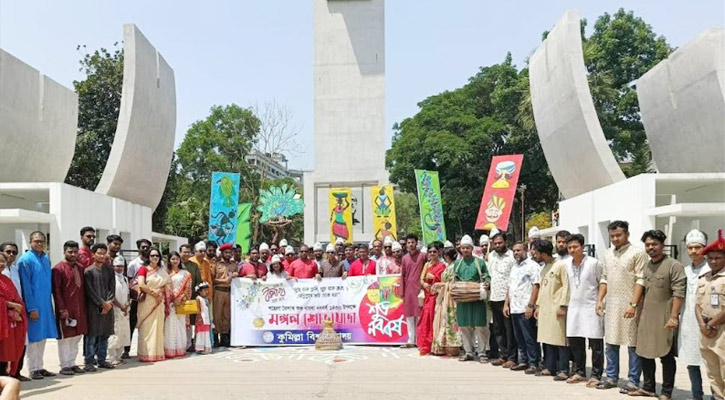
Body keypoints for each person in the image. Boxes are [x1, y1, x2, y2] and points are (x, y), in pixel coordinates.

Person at [629, 230, 685, 399]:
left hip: (665, 318)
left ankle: (666, 391)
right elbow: (643, 289)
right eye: (647, 245)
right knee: (645, 352)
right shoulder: (647, 265)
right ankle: (648, 387)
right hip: (646, 317)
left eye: (654, 244)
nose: (651, 247)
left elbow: (679, 294)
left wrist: (674, 316)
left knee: (666, 355)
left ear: (662, 245)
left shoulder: (674, 265)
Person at [595, 220, 646, 392]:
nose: (615, 239)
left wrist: (633, 304)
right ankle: (611, 377)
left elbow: (641, 279)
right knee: (611, 343)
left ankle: (633, 381)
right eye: (612, 236)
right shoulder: (608, 253)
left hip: (631, 305)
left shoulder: (637, 253)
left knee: (633, 344)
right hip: (612, 305)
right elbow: (604, 278)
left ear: (627, 234)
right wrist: (600, 300)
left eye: (619, 235)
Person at [563, 234, 604, 387]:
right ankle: (579, 372)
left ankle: (596, 374)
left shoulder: (594, 264)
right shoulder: (566, 264)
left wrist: (600, 302)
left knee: (595, 343)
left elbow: (602, 283)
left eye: (575, 247)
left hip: (591, 306)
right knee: (575, 342)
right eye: (570, 248)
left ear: (582, 247)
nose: (572, 250)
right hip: (574, 307)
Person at [17, 231, 56, 380]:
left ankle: (40, 366)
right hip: (33, 306)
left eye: (42, 241)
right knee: (34, 338)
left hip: (45, 304)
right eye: (36, 241)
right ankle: (33, 369)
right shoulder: (25, 260)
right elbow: (26, 287)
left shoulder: (46, 258)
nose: (40, 244)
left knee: (43, 337)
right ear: (30, 242)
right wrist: (31, 307)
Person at [678, 229, 710, 400]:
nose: (693, 251)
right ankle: (696, 395)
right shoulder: (685, 270)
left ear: (704, 248)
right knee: (692, 362)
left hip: (710, 322)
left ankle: (717, 395)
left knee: (713, 362)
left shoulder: (712, 268)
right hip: (689, 321)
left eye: (697, 247)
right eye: (690, 248)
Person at [532, 239, 570, 381]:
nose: (534, 254)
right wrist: (538, 306)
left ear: (543, 253)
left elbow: (566, 286)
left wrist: (563, 306)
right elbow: (542, 289)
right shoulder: (544, 268)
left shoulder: (560, 265)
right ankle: (550, 367)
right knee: (546, 339)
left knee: (559, 340)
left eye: (535, 251)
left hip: (557, 308)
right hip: (545, 308)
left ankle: (564, 369)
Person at [695, 229, 725, 400]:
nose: (714, 261)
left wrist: (711, 323)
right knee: (713, 373)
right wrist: (702, 326)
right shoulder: (703, 278)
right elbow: (697, 305)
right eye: (711, 258)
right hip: (706, 332)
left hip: (721, 331)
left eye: (718, 257)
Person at [504, 242, 541, 375]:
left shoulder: (533, 266)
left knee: (529, 337)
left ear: (526, 251)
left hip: (526, 307)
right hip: (514, 307)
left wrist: (531, 305)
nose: (516, 253)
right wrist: (506, 304)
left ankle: (534, 362)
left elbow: (536, 286)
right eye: (514, 251)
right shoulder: (514, 267)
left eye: (518, 250)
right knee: (519, 337)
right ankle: (524, 361)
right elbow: (510, 287)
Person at [51, 240, 88, 375]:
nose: (73, 254)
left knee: (77, 336)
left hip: (80, 308)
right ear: (64, 252)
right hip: (66, 309)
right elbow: (57, 291)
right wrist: (62, 309)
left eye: (75, 252)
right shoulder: (58, 269)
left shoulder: (80, 267)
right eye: (70, 252)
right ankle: (64, 365)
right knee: (65, 338)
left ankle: (72, 363)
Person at [454, 235, 491, 362]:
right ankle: (468, 351)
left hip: (477, 299)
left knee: (480, 326)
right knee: (464, 326)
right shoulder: (457, 264)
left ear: (472, 248)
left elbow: (487, 277)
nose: (465, 250)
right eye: (463, 248)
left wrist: (487, 283)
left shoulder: (479, 262)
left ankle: (481, 352)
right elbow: (454, 279)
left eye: (467, 248)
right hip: (462, 301)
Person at [83, 243, 116, 371]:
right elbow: (90, 291)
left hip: (108, 307)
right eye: (99, 253)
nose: (102, 256)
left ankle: (102, 360)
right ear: (93, 254)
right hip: (93, 308)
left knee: (104, 334)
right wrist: (102, 303)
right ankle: (89, 362)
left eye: (104, 253)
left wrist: (109, 303)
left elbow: (112, 288)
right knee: (92, 336)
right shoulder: (88, 271)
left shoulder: (109, 270)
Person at [487, 231, 517, 368]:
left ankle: (512, 357)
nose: (498, 245)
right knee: (498, 329)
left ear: (505, 242)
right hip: (494, 297)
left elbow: (513, 279)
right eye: (495, 243)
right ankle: (503, 355)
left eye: (500, 242)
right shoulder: (491, 256)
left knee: (509, 329)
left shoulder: (511, 256)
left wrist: (508, 300)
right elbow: (490, 275)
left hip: (508, 298)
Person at [136, 248, 171, 362]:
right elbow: (141, 284)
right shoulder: (143, 269)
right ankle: (146, 354)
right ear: (148, 257)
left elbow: (168, 284)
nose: (155, 257)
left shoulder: (162, 270)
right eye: (152, 256)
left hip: (159, 302)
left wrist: (160, 293)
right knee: (146, 328)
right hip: (148, 301)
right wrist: (153, 293)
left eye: (157, 255)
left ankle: (157, 353)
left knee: (158, 327)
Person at [0, 243, 28, 382]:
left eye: (2, 262)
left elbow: (16, 297)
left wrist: (18, 311)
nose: (1, 264)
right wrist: (10, 305)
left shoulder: (6, 279)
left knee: (5, 353)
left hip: (8, 322)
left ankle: (7, 379)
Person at [416, 242, 446, 356]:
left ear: (439, 253)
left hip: (437, 297)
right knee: (426, 320)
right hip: (428, 296)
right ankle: (426, 345)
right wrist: (424, 284)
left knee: (435, 320)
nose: (432, 254)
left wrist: (434, 278)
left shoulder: (442, 266)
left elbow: (444, 281)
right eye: (430, 252)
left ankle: (436, 345)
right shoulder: (427, 265)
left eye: (434, 252)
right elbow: (421, 279)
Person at [431, 247, 462, 356]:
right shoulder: (449, 267)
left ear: (446, 256)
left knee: (449, 320)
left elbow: (454, 284)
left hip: (451, 298)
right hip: (444, 296)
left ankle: (450, 346)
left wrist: (441, 284)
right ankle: (442, 345)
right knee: (442, 319)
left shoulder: (455, 267)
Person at [125, 238, 152, 359]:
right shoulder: (133, 264)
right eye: (143, 247)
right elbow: (129, 281)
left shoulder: (154, 262)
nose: (145, 249)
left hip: (151, 298)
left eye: (147, 247)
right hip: (137, 299)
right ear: (138, 248)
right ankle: (127, 349)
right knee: (132, 323)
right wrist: (137, 293)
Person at [401, 234, 426, 349]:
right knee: (410, 316)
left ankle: (420, 340)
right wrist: (402, 291)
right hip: (409, 290)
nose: (411, 244)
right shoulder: (404, 258)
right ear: (406, 245)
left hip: (420, 289)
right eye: (409, 242)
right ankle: (411, 340)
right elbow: (403, 275)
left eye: (413, 242)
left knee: (420, 315)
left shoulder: (423, 256)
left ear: (417, 243)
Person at [164, 251, 191, 359]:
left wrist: (180, 298)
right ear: (169, 260)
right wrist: (171, 298)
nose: (175, 261)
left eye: (177, 259)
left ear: (180, 260)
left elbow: (188, 289)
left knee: (180, 325)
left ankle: (180, 348)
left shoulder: (185, 274)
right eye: (172, 259)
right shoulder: (165, 273)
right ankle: (169, 349)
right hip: (169, 303)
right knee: (169, 325)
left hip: (180, 303)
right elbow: (163, 287)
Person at [107, 256, 130, 366]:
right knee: (114, 333)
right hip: (115, 309)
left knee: (123, 332)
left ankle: (119, 356)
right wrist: (120, 306)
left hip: (124, 309)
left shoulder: (125, 279)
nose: (119, 268)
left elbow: (128, 293)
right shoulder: (111, 279)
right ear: (113, 266)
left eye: (121, 266)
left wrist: (126, 305)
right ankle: (111, 357)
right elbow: (111, 295)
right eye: (117, 266)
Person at [213, 243, 236, 347]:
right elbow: (212, 279)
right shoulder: (216, 264)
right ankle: (215, 336)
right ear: (222, 253)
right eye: (226, 252)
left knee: (227, 315)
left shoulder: (233, 264)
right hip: (219, 291)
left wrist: (236, 274)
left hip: (230, 292)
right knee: (217, 315)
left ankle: (224, 337)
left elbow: (237, 274)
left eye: (230, 253)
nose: (228, 254)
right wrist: (224, 280)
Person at [194, 282, 213, 354]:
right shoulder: (198, 298)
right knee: (201, 333)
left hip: (207, 318)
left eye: (207, 290)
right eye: (204, 290)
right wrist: (199, 317)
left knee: (206, 333)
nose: (206, 292)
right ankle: (200, 347)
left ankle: (206, 347)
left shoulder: (206, 299)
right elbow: (198, 309)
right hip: (201, 318)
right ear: (199, 291)